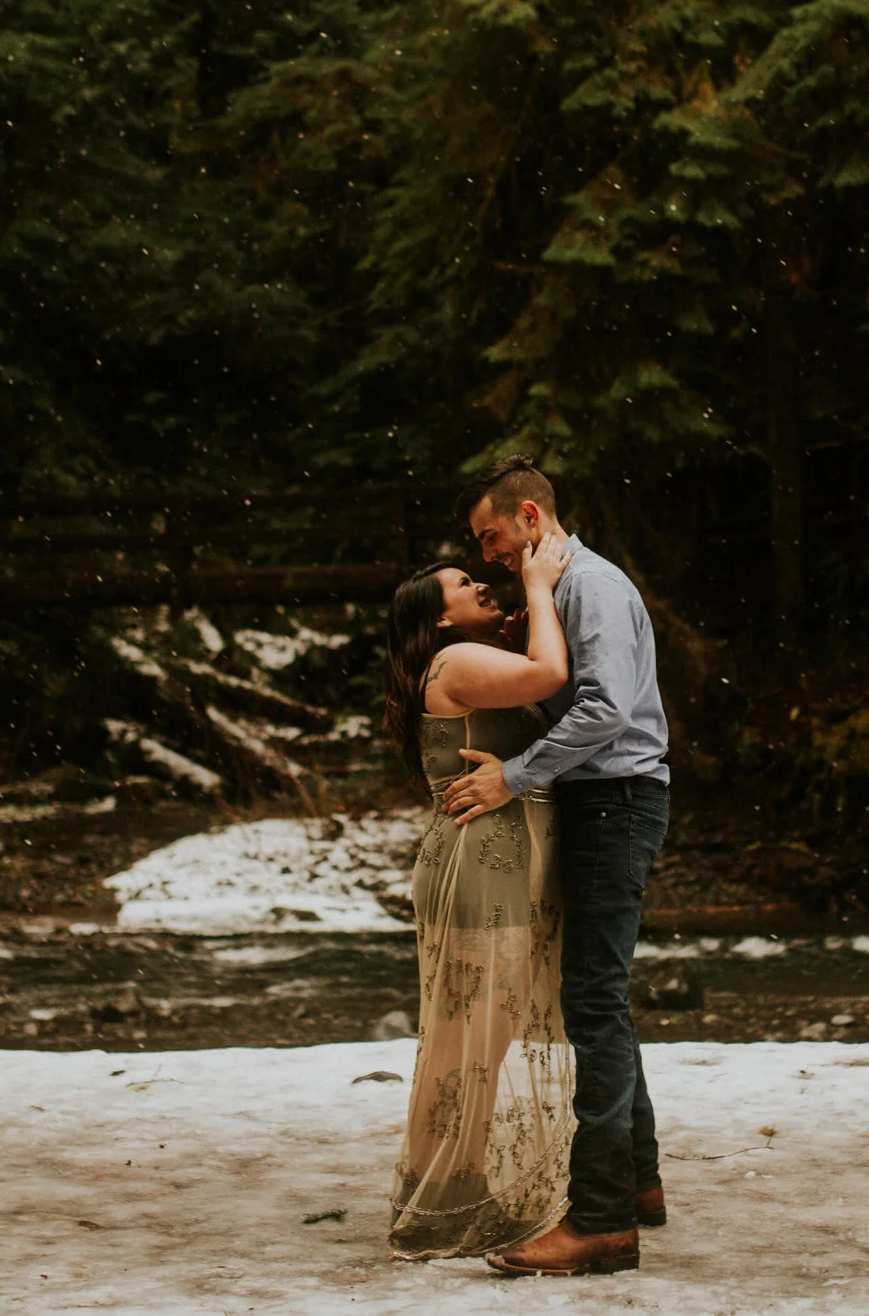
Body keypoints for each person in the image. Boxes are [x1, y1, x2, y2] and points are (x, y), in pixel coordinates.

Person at [439, 456, 670, 1277]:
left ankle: (602, 1220)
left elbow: (607, 709)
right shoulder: (563, 589)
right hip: (607, 801)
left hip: (617, 800)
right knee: (600, 996)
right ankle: (635, 1183)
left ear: (531, 517)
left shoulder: (590, 586)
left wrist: (516, 772)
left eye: (493, 536)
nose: (491, 553)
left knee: (594, 1003)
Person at [382, 539, 574, 1259]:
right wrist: (540, 583)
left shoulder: (456, 660)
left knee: (471, 1045)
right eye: (465, 584)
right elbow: (550, 673)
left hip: (483, 861)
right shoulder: (457, 661)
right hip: (478, 865)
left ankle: (443, 1194)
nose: (482, 586)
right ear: (438, 620)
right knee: (469, 1046)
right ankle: (443, 1201)